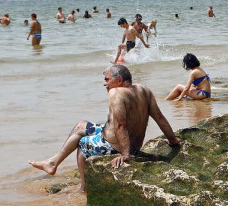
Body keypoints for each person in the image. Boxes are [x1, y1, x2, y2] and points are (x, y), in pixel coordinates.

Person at [29, 64, 180, 192]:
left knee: (83, 143)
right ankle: (53, 163)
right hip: (126, 141)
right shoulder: (144, 90)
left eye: (107, 80)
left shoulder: (116, 93)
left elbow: (121, 125)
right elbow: (159, 117)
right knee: (81, 126)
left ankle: (84, 188)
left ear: (119, 80)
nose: (104, 84)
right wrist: (172, 140)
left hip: (117, 146)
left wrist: (125, 155)